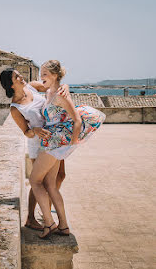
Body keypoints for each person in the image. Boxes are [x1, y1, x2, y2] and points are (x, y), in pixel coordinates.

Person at [30, 60, 105, 239]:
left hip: (54, 143)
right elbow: (30, 85)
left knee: (34, 180)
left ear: (55, 75)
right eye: (41, 74)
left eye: (45, 74)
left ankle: (49, 223)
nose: (41, 77)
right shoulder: (50, 90)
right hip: (53, 142)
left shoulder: (61, 95)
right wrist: (65, 84)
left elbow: (77, 120)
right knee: (50, 185)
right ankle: (63, 226)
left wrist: (72, 143)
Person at [0, 68, 67, 231]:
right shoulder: (15, 108)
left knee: (60, 176)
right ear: (11, 84)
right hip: (38, 144)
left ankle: (45, 212)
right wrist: (35, 131)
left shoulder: (32, 86)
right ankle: (32, 217)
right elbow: (26, 132)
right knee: (41, 182)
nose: (21, 76)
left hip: (54, 137)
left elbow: (53, 86)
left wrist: (66, 87)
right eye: (17, 76)